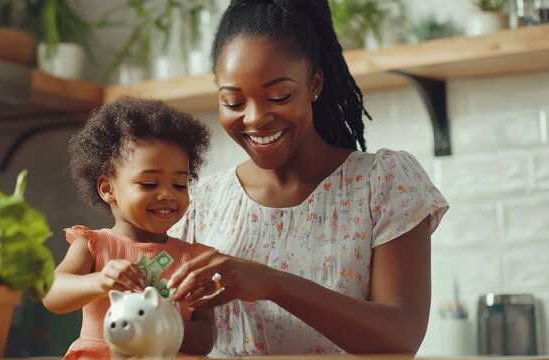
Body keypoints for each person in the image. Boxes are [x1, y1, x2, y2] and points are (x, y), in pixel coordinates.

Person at [166, 0, 449, 356]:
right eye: (233, 102)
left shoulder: (383, 184)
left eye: (279, 96)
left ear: (314, 84)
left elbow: (402, 337)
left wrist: (274, 283)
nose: (255, 118)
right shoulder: (198, 204)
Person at [42, 96, 215, 359]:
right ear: (107, 189)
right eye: (149, 184)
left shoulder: (194, 261)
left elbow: (205, 340)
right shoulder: (93, 245)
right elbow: (52, 294)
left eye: (179, 185)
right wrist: (100, 281)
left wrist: (159, 328)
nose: (168, 194)